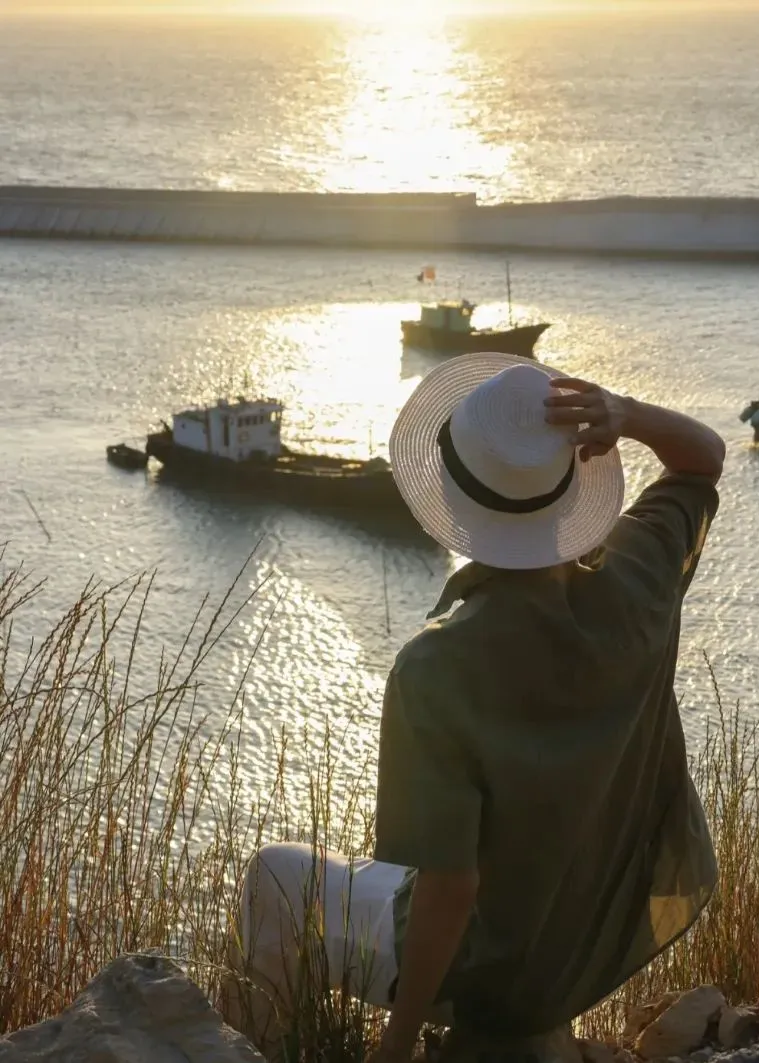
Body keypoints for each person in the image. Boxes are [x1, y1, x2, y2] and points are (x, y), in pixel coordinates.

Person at [223, 353, 725, 1063]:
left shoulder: (436, 669)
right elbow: (703, 459)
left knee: (275, 875)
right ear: (571, 486)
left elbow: (450, 890)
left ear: (453, 505)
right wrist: (626, 412)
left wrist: (397, 1047)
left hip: (495, 981)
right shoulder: (641, 576)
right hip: (596, 946)